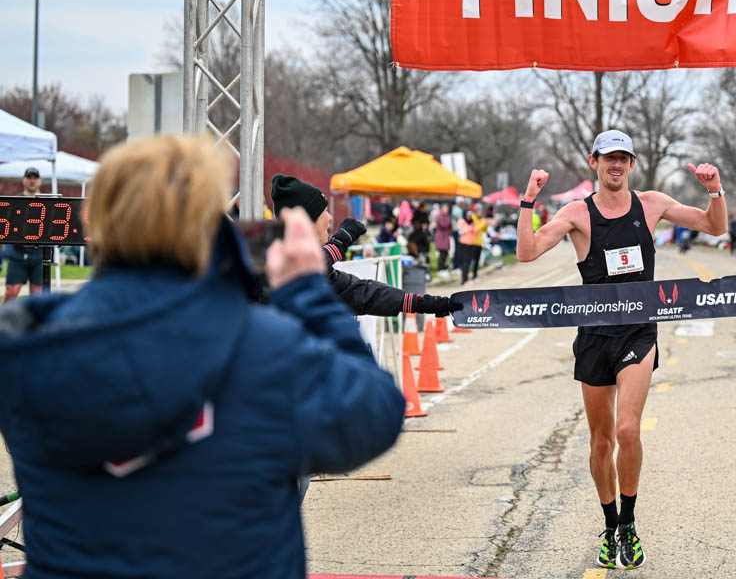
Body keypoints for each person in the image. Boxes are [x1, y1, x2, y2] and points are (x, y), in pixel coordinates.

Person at [0, 135, 406, 577]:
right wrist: (310, 290)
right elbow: (376, 414)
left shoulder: (27, 347)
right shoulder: (264, 344)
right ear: (208, 221)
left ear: (97, 219)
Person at [516, 130, 726, 571]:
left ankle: (628, 524)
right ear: (594, 161)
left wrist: (715, 191)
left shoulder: (651, 204)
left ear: (632, 164)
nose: (617, 165)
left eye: (624, 158)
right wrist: (528, 202)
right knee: (600, 441)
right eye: (609, 158)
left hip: (638, 332)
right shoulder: (577, 212)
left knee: (628, 431)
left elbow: (714, 226)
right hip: (594, 336)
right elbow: (527, 252)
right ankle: (610, 524)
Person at [270, 175, 458, 319]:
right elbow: (300, 271)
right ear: (304, 223)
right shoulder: (264, 261)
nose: (330, 217)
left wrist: (421, 303)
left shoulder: (318, 273)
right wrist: (339, 243)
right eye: (323, 211)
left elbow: (366, 294)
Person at [3, 167, 45, 303]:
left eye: (35, 178)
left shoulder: (46, 202)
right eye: (29, 178)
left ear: (40, 181)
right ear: (24, 180)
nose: (32, 181)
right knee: (11, 293)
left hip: (38, 255)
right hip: (18, 253)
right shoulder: (16, 201)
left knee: (37, 295)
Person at [434, 204, 454, 274]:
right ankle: (440, 269)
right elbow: (443, 225)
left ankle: (443, 268)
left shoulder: (447, 217)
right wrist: (448, 221)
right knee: (441, 254)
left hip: (446, 237)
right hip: (441, 238)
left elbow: (451, 227)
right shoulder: (439, 217)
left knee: (445, 253)